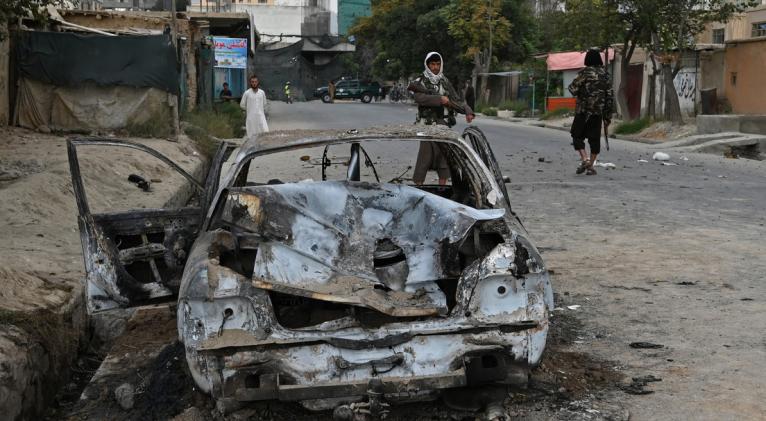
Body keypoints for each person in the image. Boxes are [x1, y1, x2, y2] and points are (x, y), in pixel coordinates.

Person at [408, 52, 475, 185]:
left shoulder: (444, 81)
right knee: (425, 156)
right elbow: (419, 98)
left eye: (438, 64)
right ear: (427, 65)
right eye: (432, 64)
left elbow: (455, 100)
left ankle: (442, 188)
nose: (435, 67)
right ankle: (419, 187)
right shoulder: (420, 81)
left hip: (443, 123)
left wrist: (468, 111)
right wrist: (440, 99)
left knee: (443, 157)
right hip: (426, 124)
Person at [568, 48, 614, 175]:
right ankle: (591, 165)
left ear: (587, 59)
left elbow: (572, 89)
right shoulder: (605, 74)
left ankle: (585, 159)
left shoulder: (584, 73)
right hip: (597, 112)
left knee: (576, 135)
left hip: (583, 110)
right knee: (594, 140)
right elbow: (610, 96)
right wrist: (607, 117)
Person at [240, 75, 269, 140]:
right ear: (250, 83)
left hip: (261, 117)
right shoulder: (247, 93)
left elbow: (264, 104)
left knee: (264, 133)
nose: (254, 83)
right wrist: (249, 109)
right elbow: (242, 105)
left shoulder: (262, 92)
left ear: (258, 82)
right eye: (252, 82)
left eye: (255, 82)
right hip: (251, 119)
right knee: (252, 136)